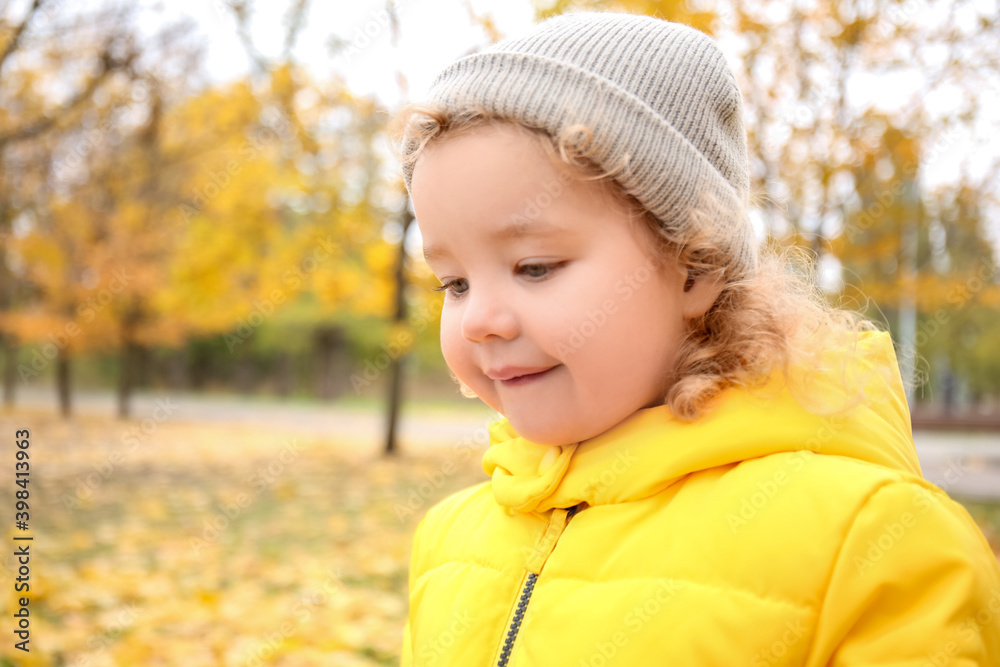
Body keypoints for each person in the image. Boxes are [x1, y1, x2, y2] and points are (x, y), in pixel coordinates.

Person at [388, 10, 1000, 666]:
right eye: (453, 282)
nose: (480, 317)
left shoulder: (872, 546)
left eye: (534, 267)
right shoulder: (449, 541)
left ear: (695, 267)